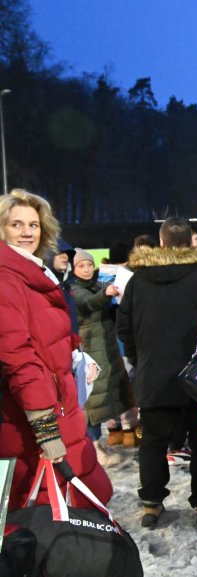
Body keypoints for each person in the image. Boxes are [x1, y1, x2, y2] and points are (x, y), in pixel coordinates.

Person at [0, 189, 113, 510]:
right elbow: (19, 358)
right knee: (35, 522)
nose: (26, 233)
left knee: (58, 519)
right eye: (15, 224)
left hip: (57, 409)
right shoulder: (7, 277)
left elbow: (43, 337)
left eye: (33, 225)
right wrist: (46, 429)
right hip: (31, 422)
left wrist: (73, 352)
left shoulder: (32, 272)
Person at [116, 217, 197, 529]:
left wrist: (142, 360)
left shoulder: (138, 279)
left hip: (153, 376)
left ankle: (151, 504)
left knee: (152, 441)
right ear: (192, 242)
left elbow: (124, 327)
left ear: (161, 242)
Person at [69, 249, 136, 446]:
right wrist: (105, 294)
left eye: (89, 265)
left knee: (111, 393)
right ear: (73, 269)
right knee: (93, 398)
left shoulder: (97, 283)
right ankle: (91, 442)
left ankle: (117, 436)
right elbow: (88, 303)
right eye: (81, 266)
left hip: (106, 348)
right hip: (90, 350)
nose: (87, 269)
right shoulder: (73, 289)